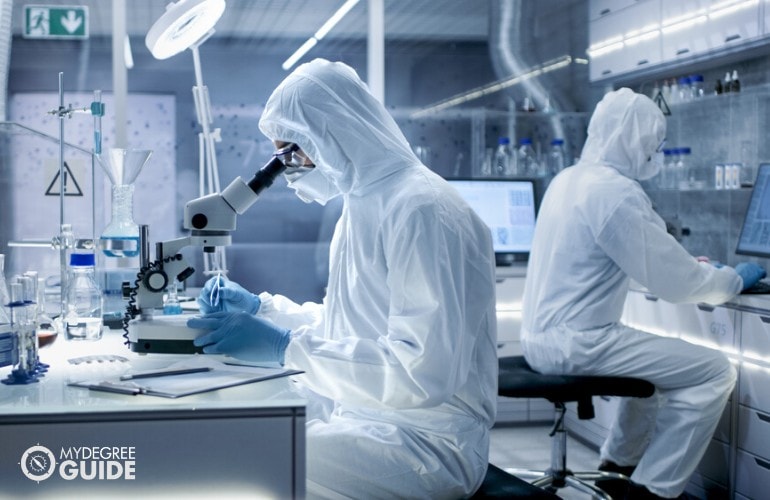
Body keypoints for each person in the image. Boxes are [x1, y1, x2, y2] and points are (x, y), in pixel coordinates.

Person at [187, 58, 498, 499]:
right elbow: (351, 327)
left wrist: (284, 347)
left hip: (429, 444)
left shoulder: (424, 209)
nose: (290, 168)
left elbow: (421, 372)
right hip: (366, 413)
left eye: (294, 152)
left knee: (250, 451)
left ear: (333, 133)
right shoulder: (362, 205)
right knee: (237, 413)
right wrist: (265, 311)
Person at [519, 88, 765, 500]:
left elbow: (620, 256)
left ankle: (619, 466)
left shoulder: (570, 180)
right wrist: (734, 280)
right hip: (579, 343)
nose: (656, 151)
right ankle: (653, 489)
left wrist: (686, 264)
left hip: (542, 339)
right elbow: (678, 284)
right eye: (653, 142)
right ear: (634, 140)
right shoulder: (614, 192)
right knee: (715, 371)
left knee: (651, 369)